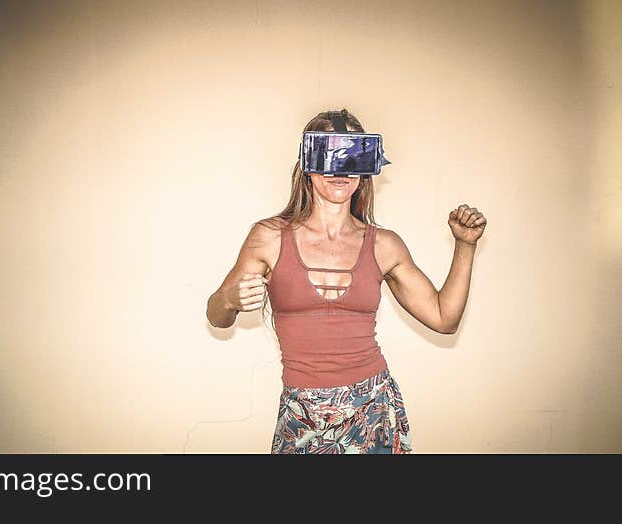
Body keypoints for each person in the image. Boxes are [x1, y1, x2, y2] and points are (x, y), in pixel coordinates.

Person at [206, 108, 486, 454]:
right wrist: (229, 298)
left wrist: (466, 245)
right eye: (328, 155)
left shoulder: (385, 245)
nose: (340, 170)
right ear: (307, 164)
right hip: (301, 415)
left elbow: (444, 318)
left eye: (353, 157)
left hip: (373, 410)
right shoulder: (269, 237)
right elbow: (216, 316)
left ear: (366, 166)